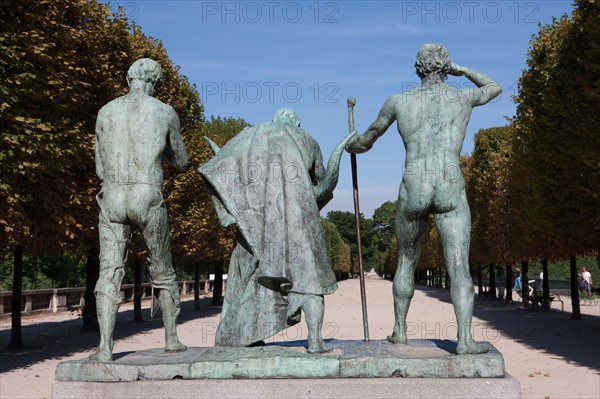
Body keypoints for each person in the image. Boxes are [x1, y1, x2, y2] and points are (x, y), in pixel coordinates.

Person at [346, 43, 501, 354]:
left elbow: (366, 141)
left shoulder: (399, 101)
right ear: (445, 67)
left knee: (405, 260)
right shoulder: (461, 97)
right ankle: (466, 340)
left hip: (414, 183)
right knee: (458, 266)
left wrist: (352, 141)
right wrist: (462, 70)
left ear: (417, 68)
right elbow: (493, 87)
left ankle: (400, 331)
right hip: (448, 183)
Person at [199, 108, 355, 353]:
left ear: (275, 119)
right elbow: (323, 186)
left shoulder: (249, 135)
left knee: (247, 274)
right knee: (309, 277)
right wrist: (341, 150)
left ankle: (239, 335)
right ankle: (315, 340)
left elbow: (223, 171)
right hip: (298, 217)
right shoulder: (308, 140)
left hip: (256, 222)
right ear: (296, 122)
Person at [91, 58, 188, 361]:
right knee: (163, 270)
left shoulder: (106, 111)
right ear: (156, 82)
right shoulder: (164, 112)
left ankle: (105, 347)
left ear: (129, 77)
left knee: (109, 272)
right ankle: (171, 340)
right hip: (147, 196)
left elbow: (98, 168)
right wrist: (167, 154)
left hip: (113, 196)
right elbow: (182, 162)